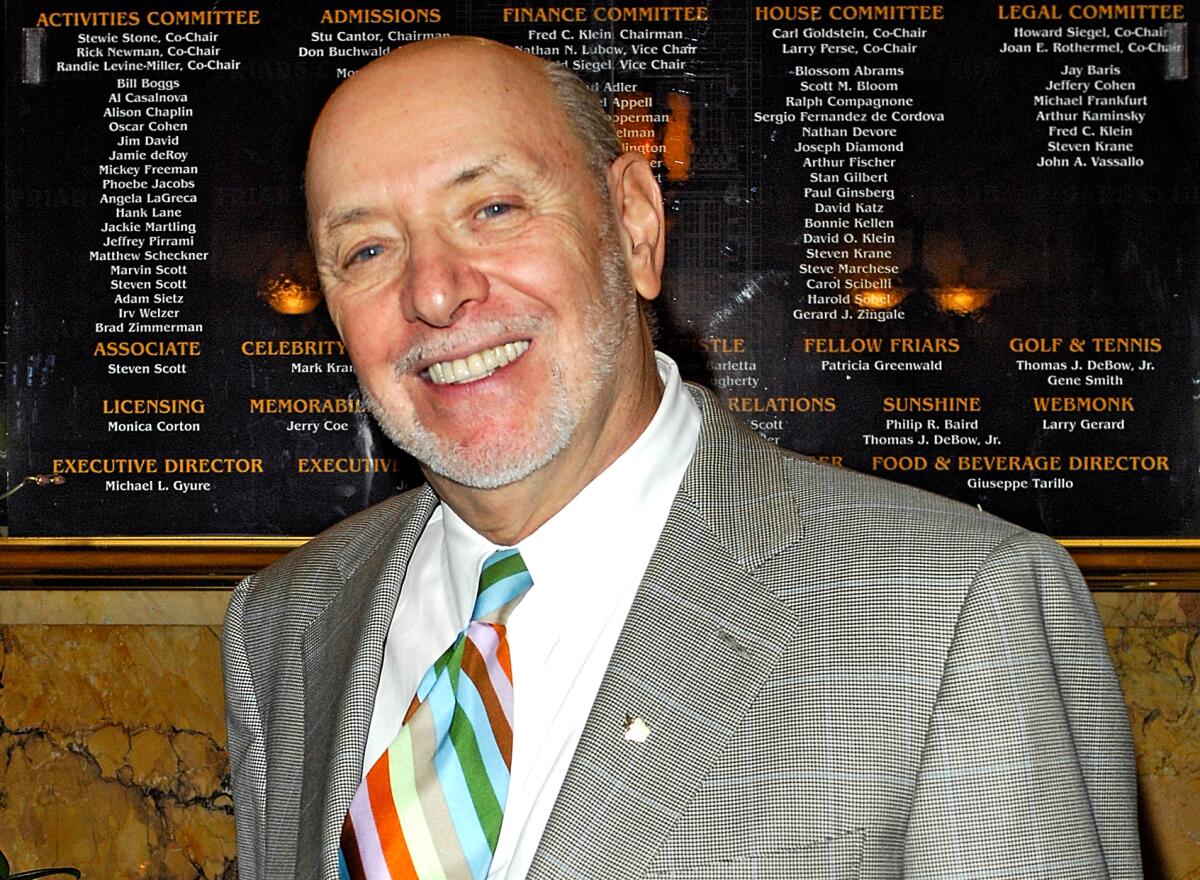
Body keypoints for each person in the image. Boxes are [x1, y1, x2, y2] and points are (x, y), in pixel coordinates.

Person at [222, 37, 1141, 880]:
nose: (433, 290)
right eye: (368, 248)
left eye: (493, 208)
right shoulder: (286, 626)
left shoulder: (953, 612)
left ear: (633, 225)